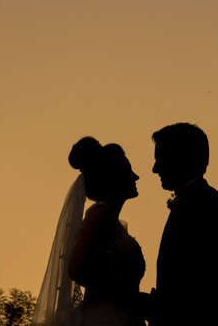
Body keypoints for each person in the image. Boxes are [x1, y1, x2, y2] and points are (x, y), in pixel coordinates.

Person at [31, 137, 146, 326]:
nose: (135, 176)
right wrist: (129, 297)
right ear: (111, 177)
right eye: (127, 170)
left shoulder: (113, 222)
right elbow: (76, 269)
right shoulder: (99, 215)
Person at [147, 123, 218, 326]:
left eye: (160, 158)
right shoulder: (202, 200)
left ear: (181, 157)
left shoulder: (202, 204)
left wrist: (153, 306)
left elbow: (196, 286)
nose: (154, 168)